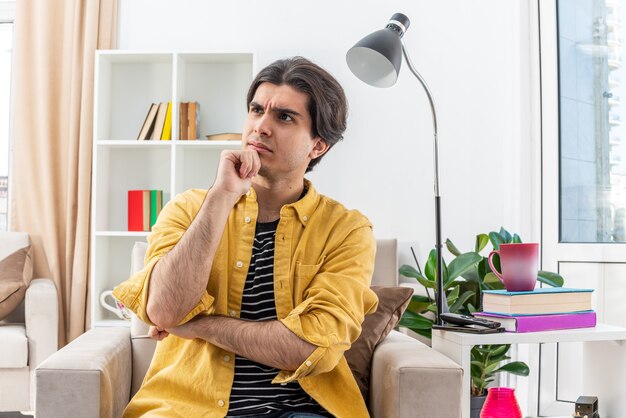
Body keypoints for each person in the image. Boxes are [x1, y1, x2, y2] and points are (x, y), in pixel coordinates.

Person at [113, 56, 378, 418]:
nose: (261, 127)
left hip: (301, 409)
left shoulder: (347, 230)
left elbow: (311, 346)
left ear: (318, 145)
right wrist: (221, 196)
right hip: (187, 406)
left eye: (284, 116)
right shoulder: (190, 209)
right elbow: (163, 310)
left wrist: (199, 325)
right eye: (256, 110)